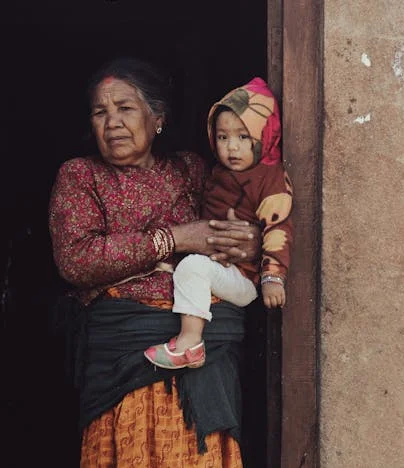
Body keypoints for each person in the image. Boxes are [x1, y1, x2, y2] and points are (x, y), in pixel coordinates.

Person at [48, 57, 261, 467]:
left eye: (124, 108)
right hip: (125, 356)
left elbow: (236, 223)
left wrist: (251, 243)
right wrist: (175, 238)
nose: (112, 122)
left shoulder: (193, 171)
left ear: (157, 118)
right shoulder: (80, 177)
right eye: (100, 112)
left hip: (204, 353)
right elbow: (76, 260)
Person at [144, 77, 293, 370]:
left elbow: (279, 229)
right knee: (192, 267)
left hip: (244, 278)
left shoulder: (271, 179)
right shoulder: (218, 173)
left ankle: (189, 343)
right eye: (223, 137)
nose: (232, 147)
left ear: (265, 136)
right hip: (222, 271)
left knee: (192, 268)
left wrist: (272, 277)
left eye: (243, 137)